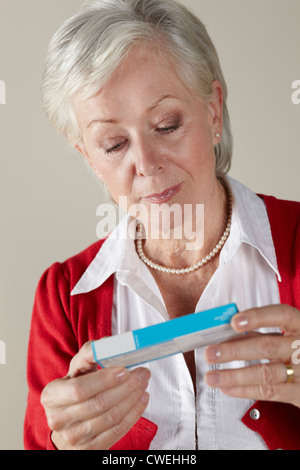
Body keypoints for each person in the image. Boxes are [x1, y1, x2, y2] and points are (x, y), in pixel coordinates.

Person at [24, 0, 300, 450]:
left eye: (167, 125)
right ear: (89, 159)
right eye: (113, 144)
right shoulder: (64, 298)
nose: (147, 165)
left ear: (213, 111)